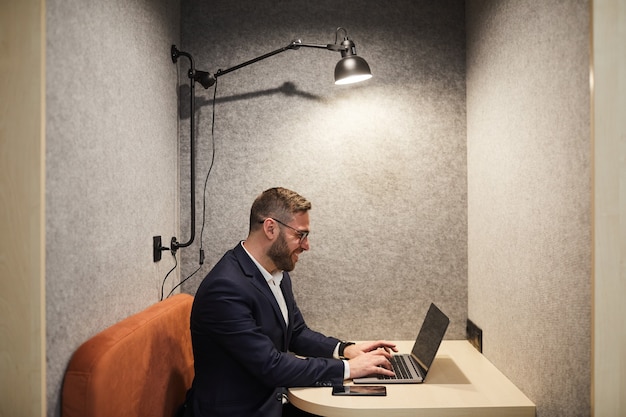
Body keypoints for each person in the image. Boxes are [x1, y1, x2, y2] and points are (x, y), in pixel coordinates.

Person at [183, 187, 397, 417]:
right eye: (300, 235)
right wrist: (349, 368)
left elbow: (296, 332)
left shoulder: (276, 272)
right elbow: (271, 366)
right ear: (270, 228)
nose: (306, 245)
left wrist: (345, 349)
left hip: (270, 399)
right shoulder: (225, 289)